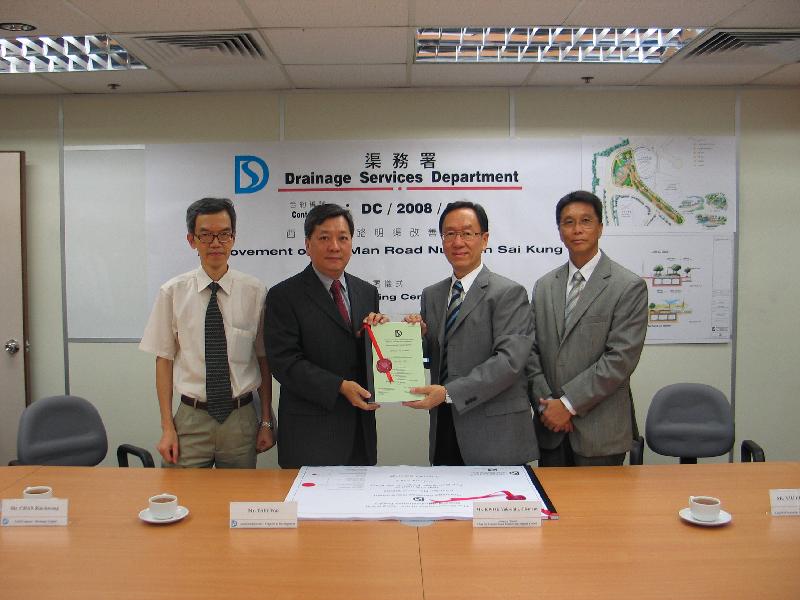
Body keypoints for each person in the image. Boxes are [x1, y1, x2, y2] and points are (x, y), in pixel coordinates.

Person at [140, 197, 274, 468]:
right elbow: (163, 361)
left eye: (224, 234)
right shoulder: (172, 292)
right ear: (192, 240)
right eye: (206, 235)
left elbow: (263, 360)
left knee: (238, 502)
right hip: (191, 418)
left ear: (233, 238)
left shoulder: (255, 291)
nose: (216, 243)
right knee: (185, 501)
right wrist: (167, 427)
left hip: (241, 419)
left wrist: (266, 421)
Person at [403, 201, 538, 466]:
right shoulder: (432, 295)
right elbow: (431, 361)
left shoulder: (509, 293)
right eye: (450, 234)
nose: (458, 241)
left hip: (495, 433)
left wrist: (449, 392)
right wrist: (415, 342)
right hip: (444, 425)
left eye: (467, 233)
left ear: (484, 239)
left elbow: (509, 363)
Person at [527, 190, 648, 467]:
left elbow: (620, 359)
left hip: (600, 432)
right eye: (568, 222)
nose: (577, 229)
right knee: (554, 508)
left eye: (586, 221)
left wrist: (568, 405)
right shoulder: (544, 286)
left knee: (600, 511)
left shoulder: (627, 286)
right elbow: (531, 352)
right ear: (559, 231)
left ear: (600, 228)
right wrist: (547, 406)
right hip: (551, 429)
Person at [265, 203, 387, 468]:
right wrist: (339, 386)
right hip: (310, 434)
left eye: (343, 238)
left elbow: (367, 356)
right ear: (308, 244)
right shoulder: (283, 296)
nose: (335, 246)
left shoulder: (367, 292)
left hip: (360, 432)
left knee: (359, 508)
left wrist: (382, 336)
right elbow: (284, 363)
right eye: (324, 238)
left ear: (351, 242)